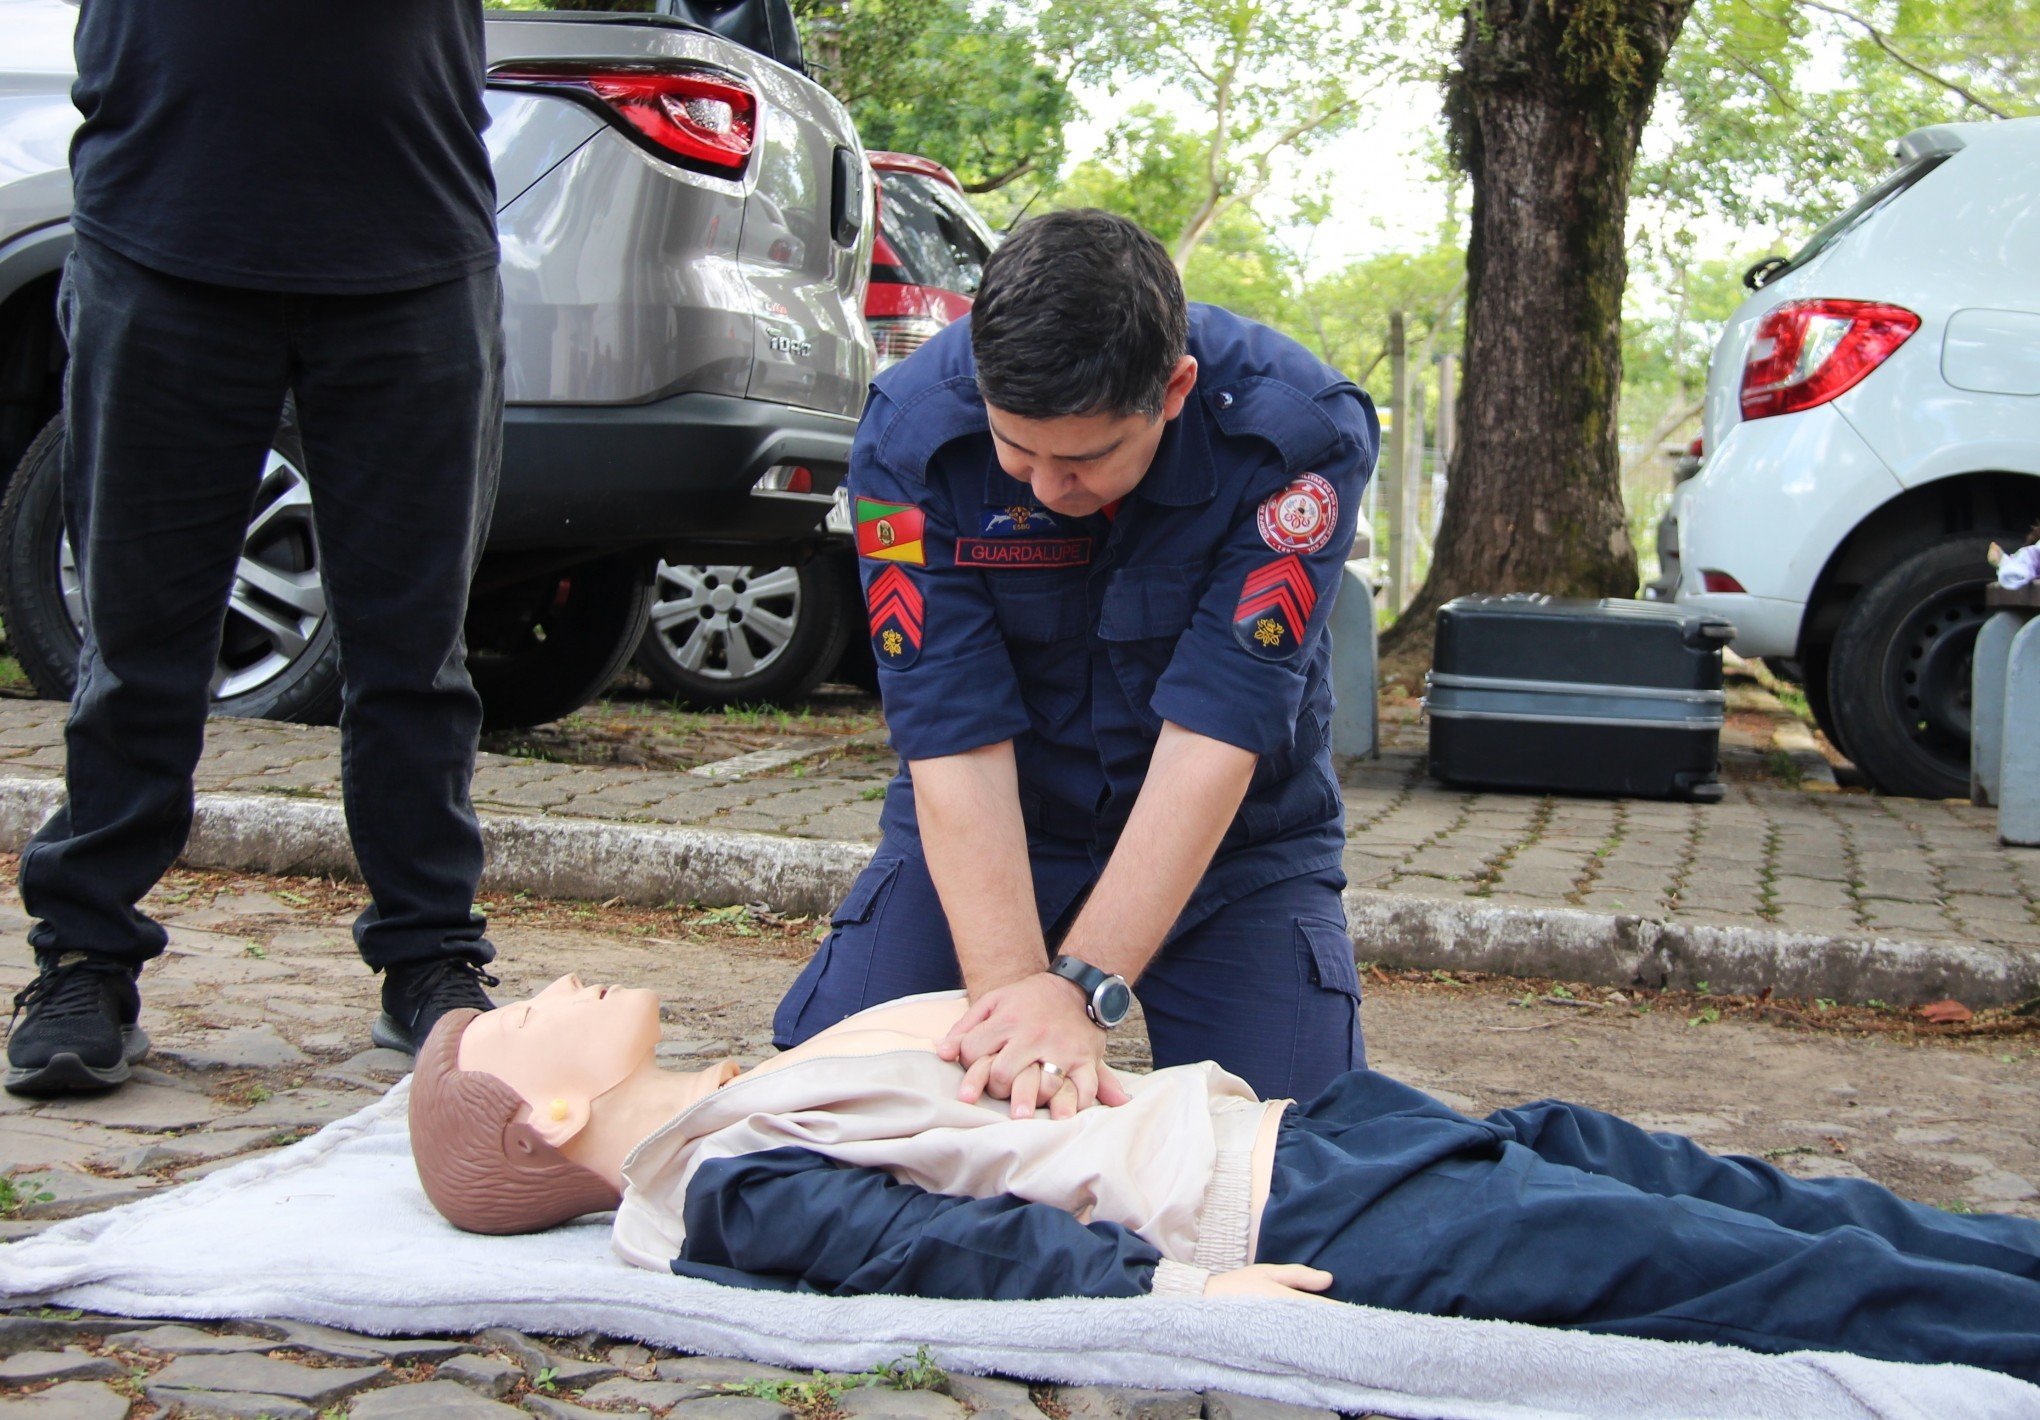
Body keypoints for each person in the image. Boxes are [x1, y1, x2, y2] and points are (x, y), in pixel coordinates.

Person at [411, 976, 2040, 1383]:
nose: (551, 986)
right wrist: (1174, 1296)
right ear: (552, 1114)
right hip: (1292, 1217)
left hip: (1311, 1131)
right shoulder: (713, 1185)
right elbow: (935, 1257)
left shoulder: (737, 1096)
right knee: (1726, 1268)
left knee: (1718, 1189)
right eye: (527, 1017)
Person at [4, 1, 505, 1097]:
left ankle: (430, 959)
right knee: (137, 644)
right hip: (163, 231)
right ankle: (86, 955)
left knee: (415, 656)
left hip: (409, 246)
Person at [774, 209, 1380, 1114]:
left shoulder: (1298, 443)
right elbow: (949, 732)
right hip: (1003, 817)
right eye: (1017, 450)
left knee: (1301, 1158)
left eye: (1087, 459)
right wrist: (1016, 1012)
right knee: (828, 1114)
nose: (1048, 491)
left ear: (1173, 391)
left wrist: (1081, 990)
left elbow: (1220, 722)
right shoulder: (907, 440)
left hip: (1234, 846)